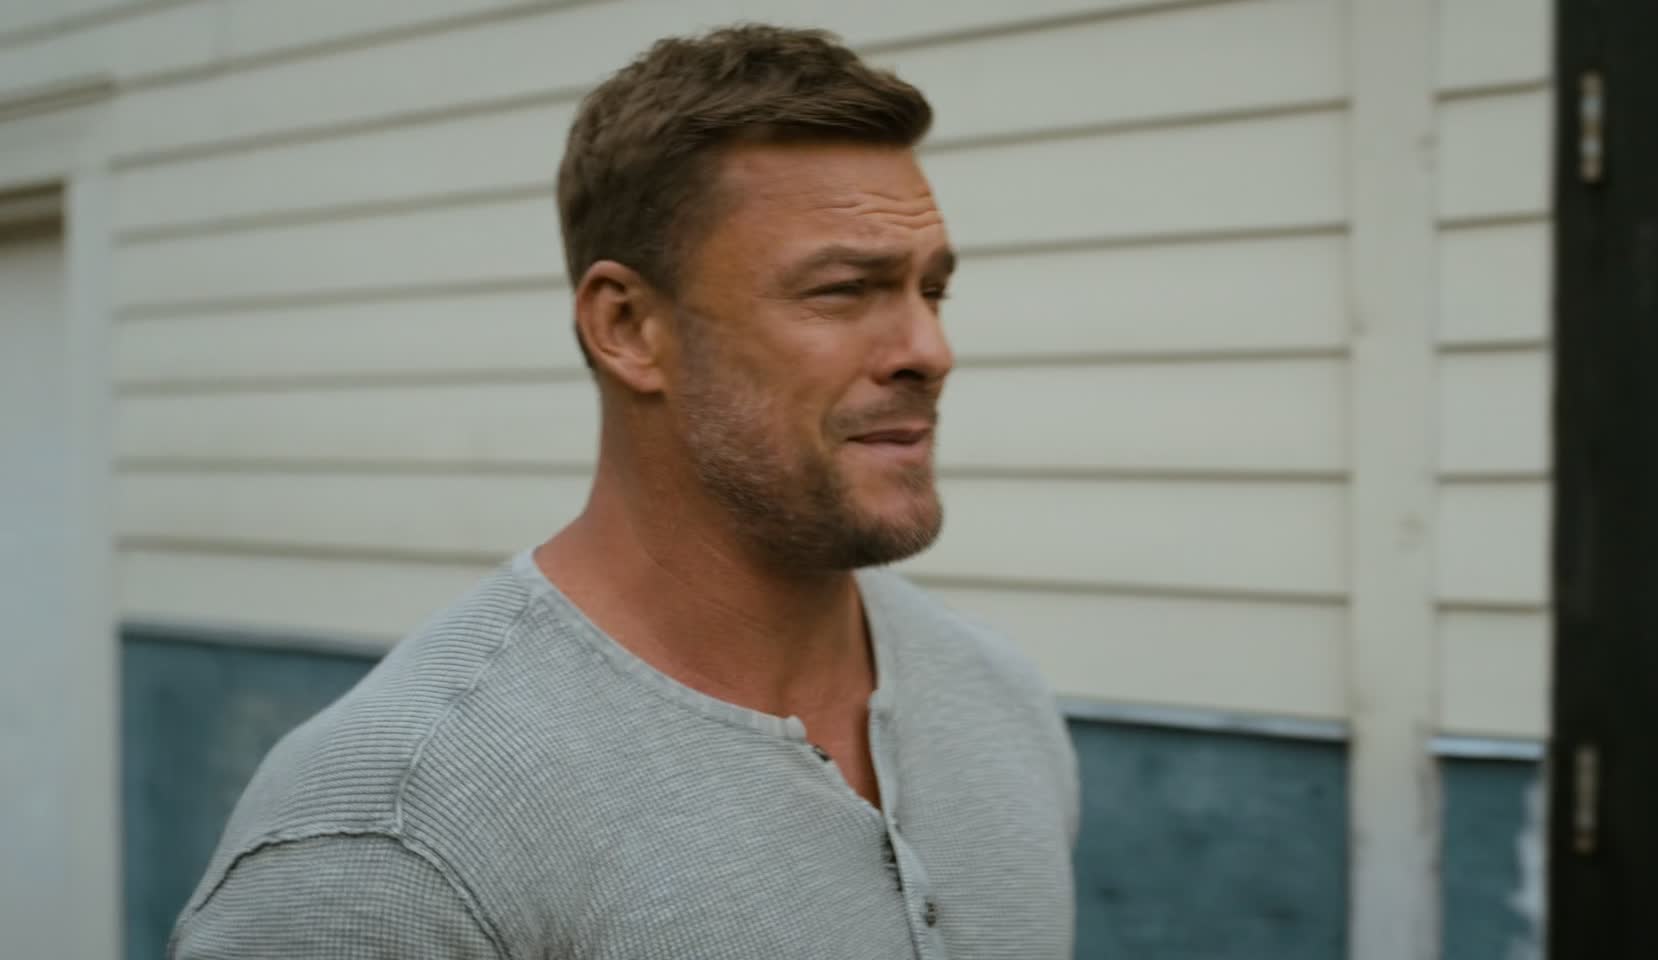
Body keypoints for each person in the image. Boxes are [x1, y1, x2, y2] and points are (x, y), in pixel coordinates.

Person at [169, 25, 1079, 960]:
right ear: (629, 327)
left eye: (933, 291)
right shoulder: (392, 838)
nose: (929, 349)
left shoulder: (996, 698)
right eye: (846, 289)